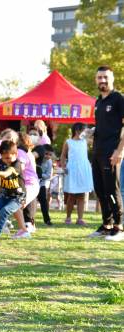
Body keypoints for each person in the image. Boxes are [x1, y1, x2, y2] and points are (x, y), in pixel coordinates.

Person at [90, 66, 124, 240]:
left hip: (112, 152)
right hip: (97, 152)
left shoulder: (118, 99)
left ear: (112, 78)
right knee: (100, 190)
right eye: (99, 77)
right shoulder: (98, 102)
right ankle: (107, 224)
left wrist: (120, 150)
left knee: (112, 189)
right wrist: (91, 134)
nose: (102, 80)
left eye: (105, 77)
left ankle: (119, 227)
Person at [61, 123, 94, 226]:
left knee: (82, 195)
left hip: (84, 169)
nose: (85, 133)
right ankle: (68, 217)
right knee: (72, 195)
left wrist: (91, 130)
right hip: (72, 169)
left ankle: (80, 219)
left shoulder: (85, 141)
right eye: (83, 130)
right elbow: (63, 155)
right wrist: (63, 166)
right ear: (77, 131)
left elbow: (94, 133)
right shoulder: (68, 142)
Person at [34, 144, 55, 226]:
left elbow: (49, 175)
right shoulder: (35, 159)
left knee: (43, 201)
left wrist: (40, 175)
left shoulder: (49, 162)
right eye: (46, 154)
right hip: (31, 183)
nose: (48, 156)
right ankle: (28, 219)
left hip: (41, 184)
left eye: (50, 154)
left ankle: (47, 220)